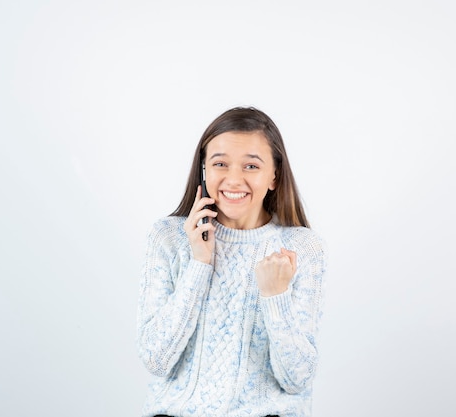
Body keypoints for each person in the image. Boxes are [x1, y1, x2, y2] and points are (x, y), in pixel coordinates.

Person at [136, 106, 327, 417]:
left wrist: (275, 296)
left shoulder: (301, 248)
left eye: (251, 166)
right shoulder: (168, 238)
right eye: (220, 163)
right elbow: (156, 359)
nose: (234, 179)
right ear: (204, 170)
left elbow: (297, 379)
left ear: (274, 176)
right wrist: (199, 263)